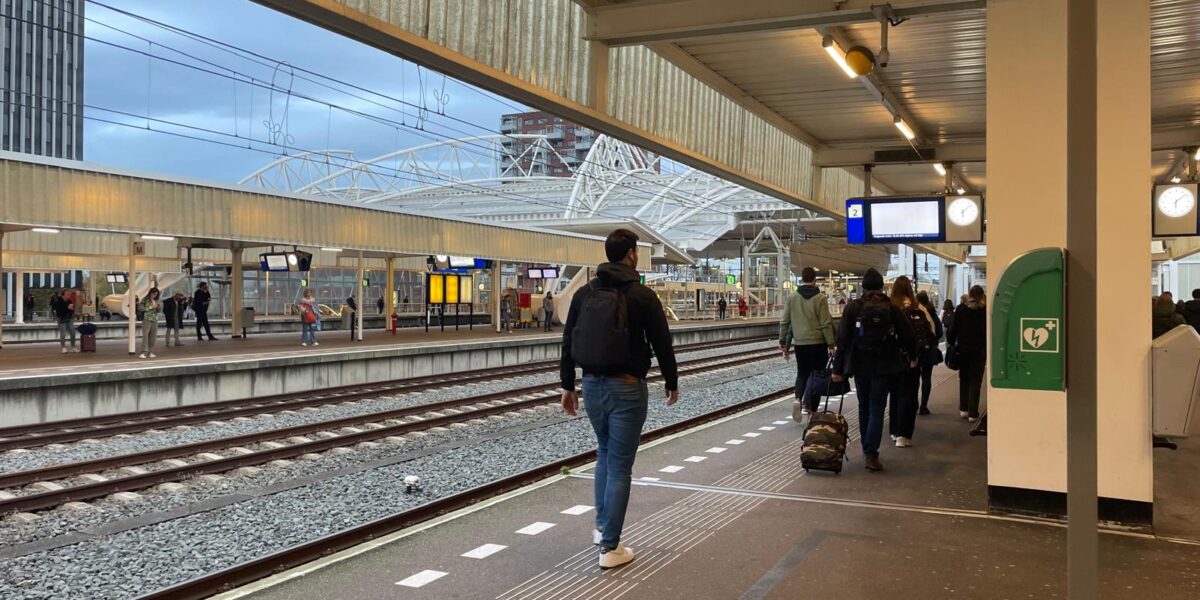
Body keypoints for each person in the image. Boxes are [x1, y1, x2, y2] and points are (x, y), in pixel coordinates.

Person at [560, 228, 679, 570]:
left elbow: (569, 340)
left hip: (592, 386)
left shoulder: (585, 293)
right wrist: (671, 382)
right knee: (620, 466)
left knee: (605, 454)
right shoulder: (641, 295)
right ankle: (610, 548)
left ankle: (602, 529)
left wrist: (568, 385)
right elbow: (662, 343)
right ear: (630, 254)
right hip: (627, 388)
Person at [831, 268, 916, 472]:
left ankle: (866, 448)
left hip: (860, 365)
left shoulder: (853, 307)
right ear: (881, 286)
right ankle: (871, 453)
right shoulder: (891, 308)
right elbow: (908, 334)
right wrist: (912, 356)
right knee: (877, 407)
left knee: (864, 406)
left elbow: (842, 340)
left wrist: (837, 369)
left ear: (864, 287)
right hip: (885, 365)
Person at [779, 267, 836, 422]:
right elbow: (825, 323)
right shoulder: (820, 298)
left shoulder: (792, 297)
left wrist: (783, 342)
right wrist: (831, 344)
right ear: (814, 279)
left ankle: (798, 398)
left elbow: (785, 322)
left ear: (802, 279)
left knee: (802, 373)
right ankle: (812, 410)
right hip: (818, 344)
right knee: (816, 376)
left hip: (801, 344)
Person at [887, 277, 935, 449]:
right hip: (913, 359)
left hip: (892, 360)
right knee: (909, 396)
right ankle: (904, 435)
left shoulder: (889, 307)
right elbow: (933, 330)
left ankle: (893, 430)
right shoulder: (918, 307)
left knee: (895, 395)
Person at [947, 285, 988, 421]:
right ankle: (973, 412)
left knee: (964, 378)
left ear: (970, 295)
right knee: (976, 380)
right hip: (979, 350)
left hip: (963, 350)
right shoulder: (985, 311)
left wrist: (952, 343)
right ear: (982, 296)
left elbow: (953, 330)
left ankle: (963, 409)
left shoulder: (961, 310)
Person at [916, 291, 944, 416]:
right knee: (926, 377)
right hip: (928, 349)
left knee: (914, 377)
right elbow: (939, 331)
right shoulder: (931, 312)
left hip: (916, 349)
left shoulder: (914, 311)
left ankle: (914, 403)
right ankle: (924, 405)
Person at [50, 289, 77, 353]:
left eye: (69, 294)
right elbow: (59, 311)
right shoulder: (58, 301)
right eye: (67, 294)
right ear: (63, 294)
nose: (69, 295)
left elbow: (72, 310)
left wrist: (71, 310)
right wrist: (67, 308)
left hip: (69, 318)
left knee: (73, 333)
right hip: (61, 319)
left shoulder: (69, 301)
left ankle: (73, 347)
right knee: (63, 333)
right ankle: (63, 347)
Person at [139, 287, 162, 359]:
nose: (154, 295)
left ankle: (150, 351)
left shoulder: (157, 300)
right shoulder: (145, 299)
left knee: (153, 336)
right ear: (150, 293)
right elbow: (140, 308)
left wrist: (158, 307)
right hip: (147, 319)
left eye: (156, 294)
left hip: (155, 319)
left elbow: (158, 311)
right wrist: (150, 307)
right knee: (145, 336)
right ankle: (144, 352)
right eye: (154, 294)